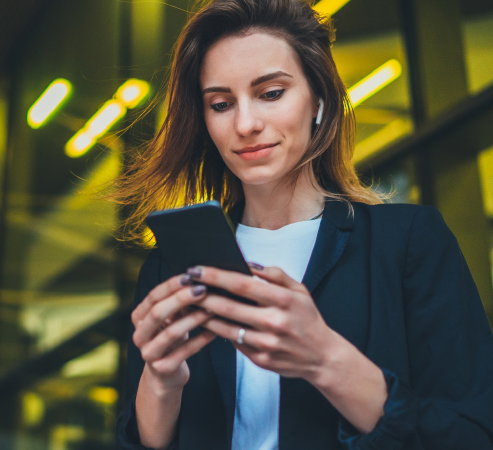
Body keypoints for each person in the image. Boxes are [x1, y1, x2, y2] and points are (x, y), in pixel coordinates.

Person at [111, 0, 493, 448]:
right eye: (220, 103)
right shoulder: (172, 269)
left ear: (320, 100)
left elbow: (470, 434)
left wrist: (325, 359)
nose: (246, 123)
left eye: (271, 93)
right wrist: (162, 381)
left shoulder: (407, 243)